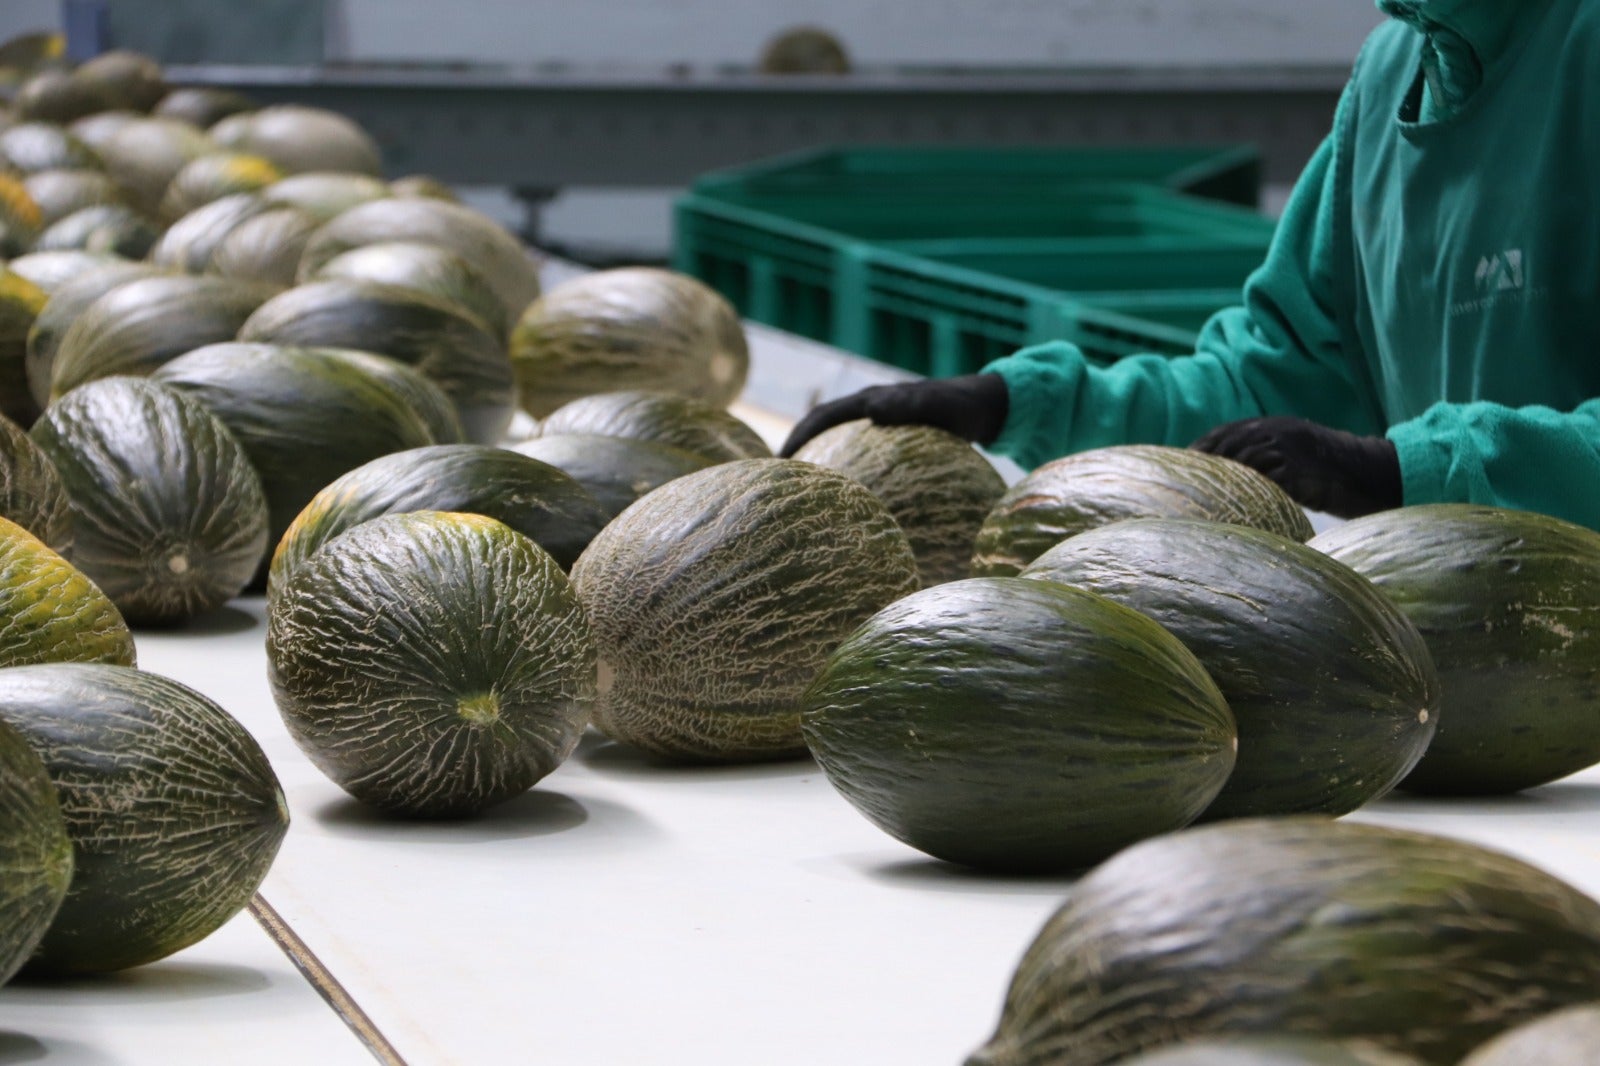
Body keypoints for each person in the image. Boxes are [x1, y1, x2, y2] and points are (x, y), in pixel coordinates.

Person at [779, 0, 1600, 529]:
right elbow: (1266, 385)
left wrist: (1393, 470)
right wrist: (1016, 404)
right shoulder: (1390, 76)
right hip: (1477, 646)